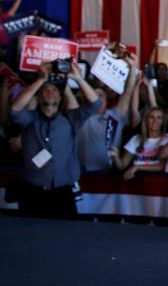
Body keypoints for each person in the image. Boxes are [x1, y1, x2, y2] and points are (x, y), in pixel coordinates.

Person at [8, 60, 102, 217]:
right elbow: (15, 110)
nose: (50, 92)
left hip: (62, 191)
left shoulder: (70, 119)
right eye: (46, 90)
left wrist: (78, 78)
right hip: (32, 190)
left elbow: (95, 104)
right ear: (38, 96)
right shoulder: (30, 119)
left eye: (54, 90)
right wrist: (40, 80)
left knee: (65, 238)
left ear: (60, 96)